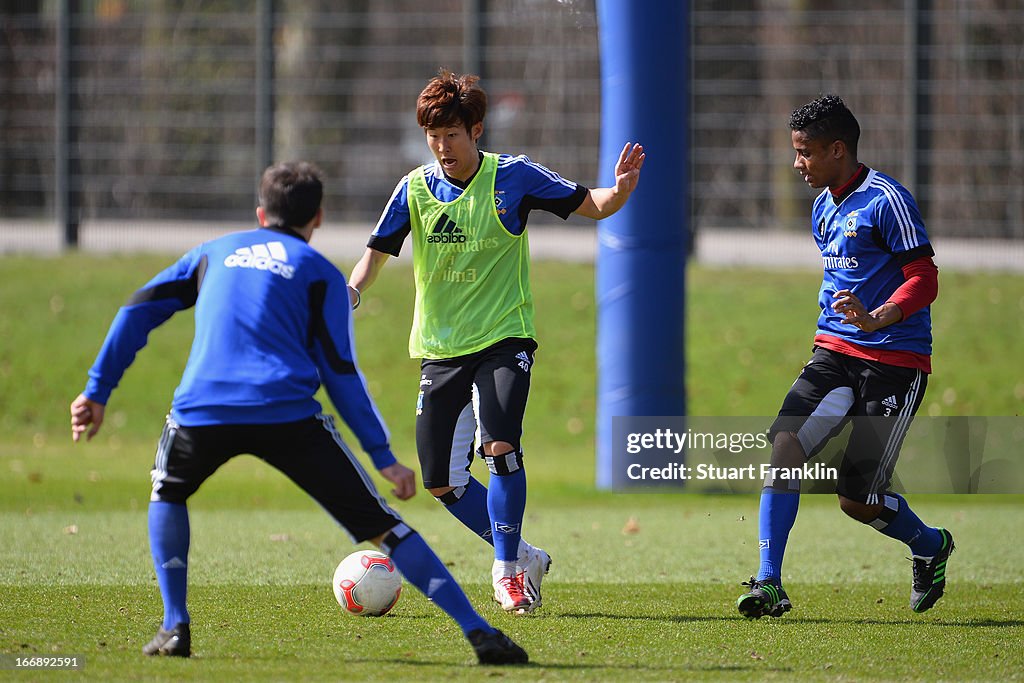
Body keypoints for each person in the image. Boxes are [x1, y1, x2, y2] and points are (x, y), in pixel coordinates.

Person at [69, 161, 528, 665]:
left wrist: (97, 390)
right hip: (286, 414)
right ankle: (480, 633)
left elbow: (138, 308)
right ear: (319, 218)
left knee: (168, 492)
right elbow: (340, 374)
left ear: (261, 214)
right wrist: (382, 456)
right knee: (386, 528)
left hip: (204, 409)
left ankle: (175, 624)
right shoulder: (319, 275)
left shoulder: (213, 254)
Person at [348, 70, 644, 614]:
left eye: (452, 136)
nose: (442, 148)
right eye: (433, 137)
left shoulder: (514, 177)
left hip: (505, 339)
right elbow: (375, 254)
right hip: (441, 349)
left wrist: (619, 191)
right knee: (441, 482)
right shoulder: (413, 188)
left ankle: (507, 572)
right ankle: (524, 553)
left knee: (500, 447)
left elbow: (592, 205)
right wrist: (351, 292)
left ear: (476, 131)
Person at [737, 95, 953, 618]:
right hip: (834, 352)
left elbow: (924, 279)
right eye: (795, 152)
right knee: (783, 447)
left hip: (895, 363)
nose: (797, 163)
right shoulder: (822, 206)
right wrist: (847, 322)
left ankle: (929, 545)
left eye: (805, 152)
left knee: (856, 500)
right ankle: (769, 582)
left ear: (838, 149)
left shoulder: (886, 200)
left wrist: (878, 317)